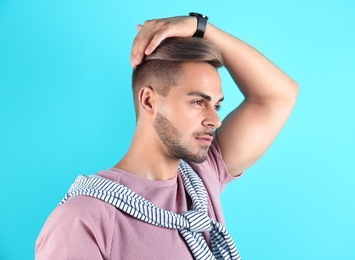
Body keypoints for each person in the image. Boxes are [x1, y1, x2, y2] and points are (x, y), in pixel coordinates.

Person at [36, 13, 298, 260]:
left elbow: (278, 96)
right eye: (198, 102)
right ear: (149, 101)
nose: (215, 120)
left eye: (216, 105)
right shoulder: (83, 219)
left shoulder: (201, 178)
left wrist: (201, 27)